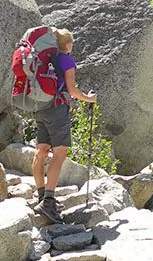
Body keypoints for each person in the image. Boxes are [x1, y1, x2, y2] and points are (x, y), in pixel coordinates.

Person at [32, 28, 97, 224]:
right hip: (57, 110)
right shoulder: (66, 60)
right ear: (67, 43)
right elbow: (72, 90)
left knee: (41, 150)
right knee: (59, 154)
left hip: (40, 107)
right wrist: (89, 98)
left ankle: (41, 195)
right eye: (71, 43)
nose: (72, 46)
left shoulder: (44, 58)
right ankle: (49, 201)